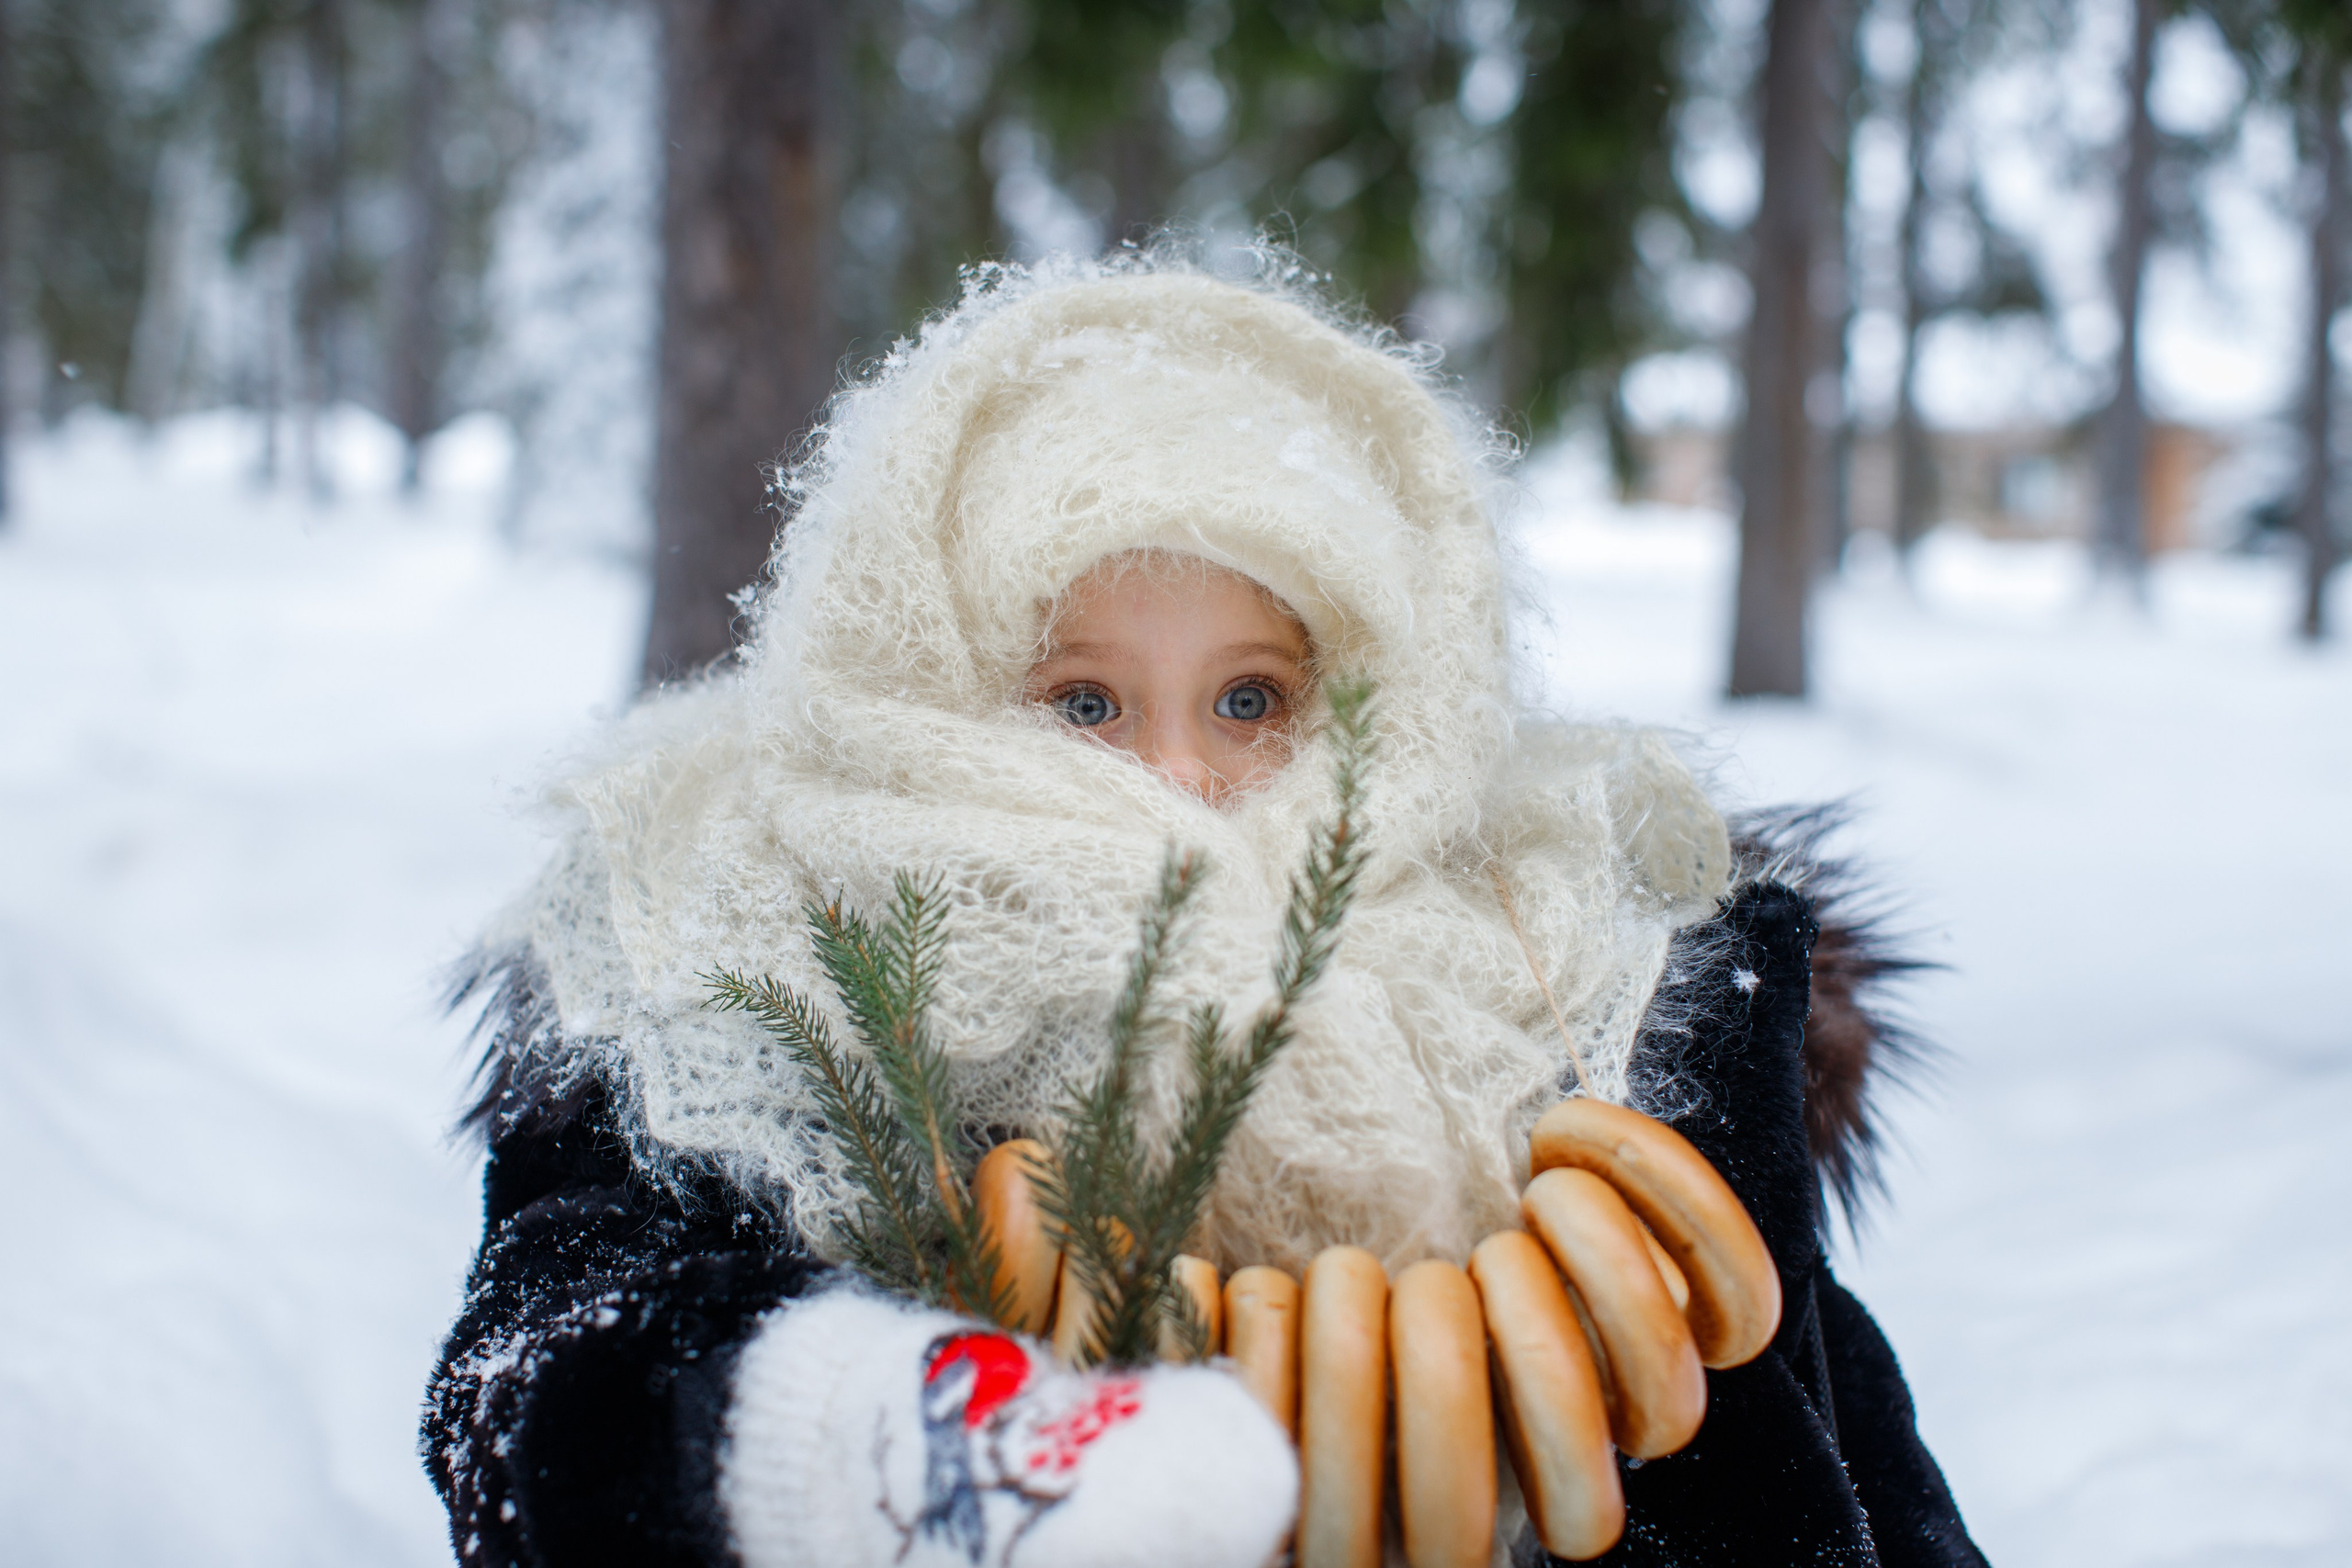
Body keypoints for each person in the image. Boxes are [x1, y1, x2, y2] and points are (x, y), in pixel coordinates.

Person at [424, 253, 1987, 1568]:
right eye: (1083, 705)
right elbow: (540, 1372)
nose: (1176, 780)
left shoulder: (1598, 982)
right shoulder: (745, 953)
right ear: (930, 680)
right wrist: (839, 1435)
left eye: (1253, 699)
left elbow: (1834, 1470)